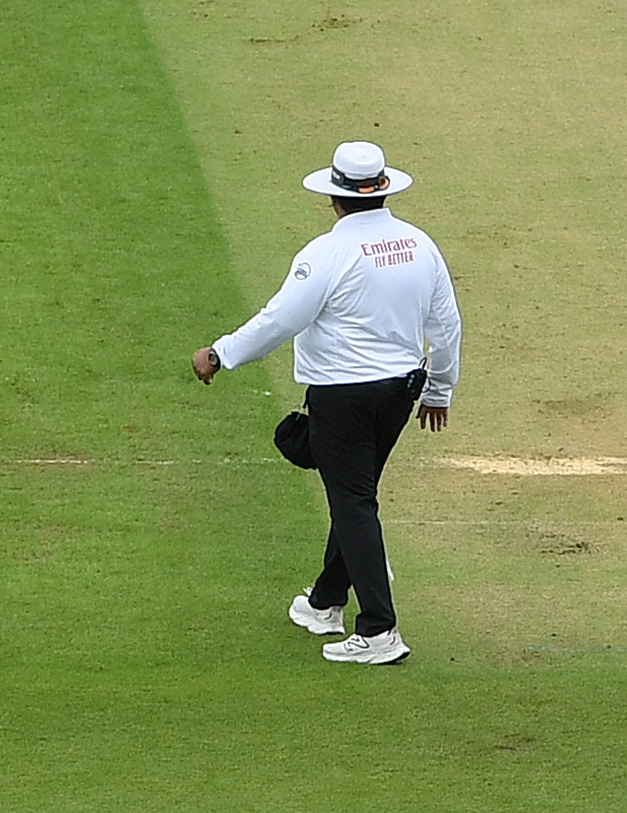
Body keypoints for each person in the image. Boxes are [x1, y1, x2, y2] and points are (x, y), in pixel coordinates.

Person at [193, 141, 461, 668]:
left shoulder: (327, 253)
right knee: (356, 492)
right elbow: (446, 324)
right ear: (382, 191)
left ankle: (380, 630)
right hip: (399, 394)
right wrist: (439, 388)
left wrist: (220, 353)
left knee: (352, 501)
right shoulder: (420, 245)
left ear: (334, 199)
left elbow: (280, 321)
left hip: (343, 397)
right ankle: (325, 603)